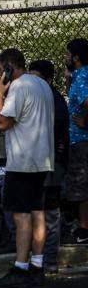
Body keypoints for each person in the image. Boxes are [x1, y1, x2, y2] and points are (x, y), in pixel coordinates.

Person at [0, 48, 54, 287]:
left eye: (0, 70)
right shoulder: (42, 85)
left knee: (22, 215)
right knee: (38, 212)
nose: (0, 76)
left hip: (22, 160)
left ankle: (20, 266)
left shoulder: (18, 87)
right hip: (42, 159)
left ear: (8, 67)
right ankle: (37, 264)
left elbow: (3, 123)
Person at [28, 59, 69, 272]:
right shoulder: (35, 98)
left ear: (48, 80)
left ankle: (50, 259)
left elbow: (54, 126)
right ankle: (38, 256)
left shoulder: (54, 99)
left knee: (50, 212)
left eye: (37, 78)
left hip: (52, 163)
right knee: (36, 211)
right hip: (36, 162)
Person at [65, 38, 88, 244]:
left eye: (68, 54)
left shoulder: (82, 75)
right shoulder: (79, 75)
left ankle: (84, 229)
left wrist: (84, 118)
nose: (66, 57)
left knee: (81, 183)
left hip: (81, 139)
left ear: (76, 57)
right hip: (78, 139)